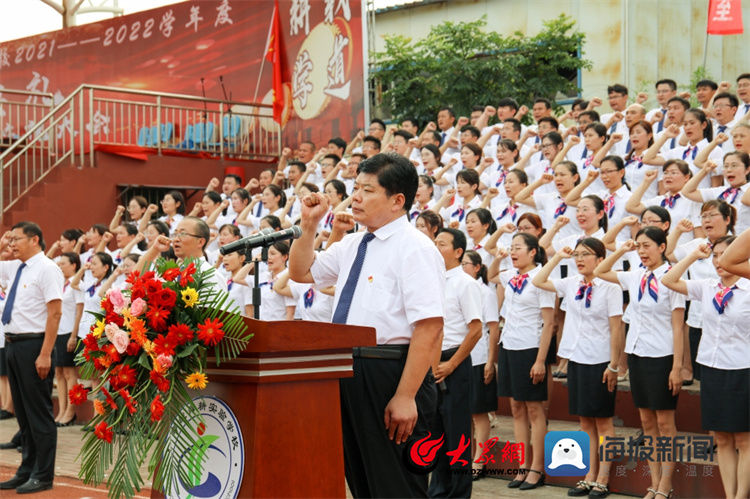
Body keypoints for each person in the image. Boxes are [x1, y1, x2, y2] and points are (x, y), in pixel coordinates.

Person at [288, 152, 445, 498]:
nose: (355, 197)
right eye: (355, 187)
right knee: (361, 482)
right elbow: (301, 272)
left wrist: (405, 396)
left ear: (397, 200)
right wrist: (310, 224)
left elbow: (429, 327)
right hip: (346, 368)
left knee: (395, 486)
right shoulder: (353, 243)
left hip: (389, 370)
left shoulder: (414, 247)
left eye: (367, 190)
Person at [594, 228, 685, 499]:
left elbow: (678, 327)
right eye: (640, 247)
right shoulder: (636, 275)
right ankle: (654, 482)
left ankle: (666, 485)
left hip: (663, 355)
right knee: (647, 423)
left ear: (662, 246)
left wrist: (677, 367)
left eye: (648, 246)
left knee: (665, 424)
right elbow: (601, 272)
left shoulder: (673, 277)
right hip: (638, 353)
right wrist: (622, 250)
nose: (642, 252)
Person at [532, 238, 624, 498]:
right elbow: (539, 280)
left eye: (587, 254)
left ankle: (603, 477)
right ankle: (589, 475)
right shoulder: (571, 283)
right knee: (585, 422)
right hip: (577, 358)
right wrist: (558, 257)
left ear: (600, 258)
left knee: (603, 422)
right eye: (578, 254)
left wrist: (614, 365)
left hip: (601, 360)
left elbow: (617, 328)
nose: (580, 259)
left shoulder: (611, 287)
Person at [663, 236, 750, 499]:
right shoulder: (707, 286)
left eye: (726, 255)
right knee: (722, 438)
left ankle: (741, 496)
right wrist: (693, 256)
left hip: (743, 368)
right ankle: (729, 494)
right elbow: (668, 281)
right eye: (715, 255)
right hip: (711, 367)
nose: (720, 261)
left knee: (744, 440)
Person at [0, 222, 63, 494]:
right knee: (23, 417)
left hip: (35, 346)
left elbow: (55, 314)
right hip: (13, 345)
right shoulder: (16, 267)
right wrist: (3, 244)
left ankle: (43, 474)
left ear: (35, 239)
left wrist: (45, 354)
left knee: (39, 415)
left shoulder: (48, 268)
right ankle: (26, 469)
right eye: (10, 239)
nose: (12, 244)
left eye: (17, 239)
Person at [493, 233, 555, 490]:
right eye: (511, 248)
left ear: (533, 252)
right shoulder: (509, 276)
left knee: (534, 410)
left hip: (531, 349)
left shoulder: (542, 280)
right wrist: (497, 259)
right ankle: (521, 466)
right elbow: (489, 276)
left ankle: (537, 468)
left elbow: (549, 323)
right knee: (516, 408)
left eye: (518, 248)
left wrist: (540, 361)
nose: (513, 252)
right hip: (509, 345)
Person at [429, 228, 482, 498]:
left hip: (455, 362)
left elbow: (475, 330)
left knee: (457, 434)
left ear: (458, 252)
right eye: (434, 242)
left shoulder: (465, 284)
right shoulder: (430, 281)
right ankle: (437, 492)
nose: (435, 247)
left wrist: (451, 365)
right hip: (431, 361)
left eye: (442, 244)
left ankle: (459, 493)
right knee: (435, 433)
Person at [461, 250, 499, 481]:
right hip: (459, 355)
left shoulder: (486, 293)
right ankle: (465, 457)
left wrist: (490, 361)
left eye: (466, 263)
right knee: (464, 411)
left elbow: (493, 328)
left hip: (479, 356)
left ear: (477, 267)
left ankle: (480, 460)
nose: (463, 267)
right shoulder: (456, 287)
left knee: (479, 412)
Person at [53, 252, 84, 427]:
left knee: (70, 373)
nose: (59, 266)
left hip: (70, 333)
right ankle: (62, 410)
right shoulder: (60, 284)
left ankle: (70, 412)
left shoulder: (76, 284)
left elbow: (79, 312)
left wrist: (74, 335)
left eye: (63, 263)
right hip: (57, 332)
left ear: (73, 265)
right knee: (59, 373)